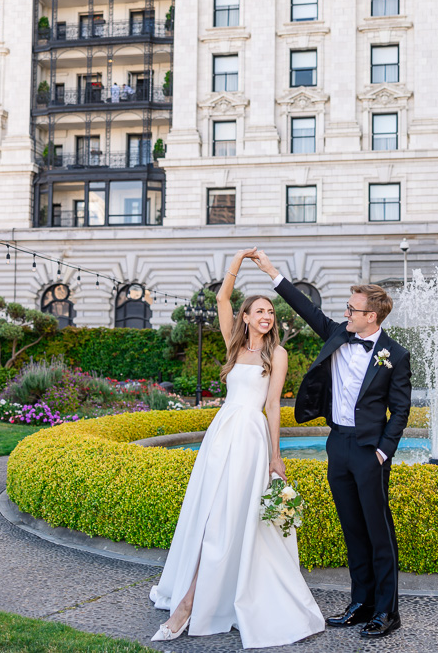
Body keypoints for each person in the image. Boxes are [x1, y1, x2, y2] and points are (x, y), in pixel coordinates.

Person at [149, 249, 325, 648]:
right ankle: (195, 598)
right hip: (221, 434)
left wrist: (276, 457)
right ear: (246, 317)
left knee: (228, 521)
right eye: (259, 311)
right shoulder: (233, 341)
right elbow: (221, 299)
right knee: (209, 514)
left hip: (249, 438)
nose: (266, 316)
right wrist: (238, 262)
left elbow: (272, 405)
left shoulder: (275, 353)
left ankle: (189, 609)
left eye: (271, 312)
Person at [252, 249, 411, 639]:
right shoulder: (340, 334)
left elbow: (402, 411)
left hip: (369, 451)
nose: (346, 314)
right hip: (337, 444)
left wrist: (382, 451)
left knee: (379, 530)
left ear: (371, 316)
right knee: (352, 528)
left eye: (352, 310)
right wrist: (273, 272)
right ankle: (360, 604)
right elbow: (307, 309)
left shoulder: (397, 356)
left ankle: (387, 612)